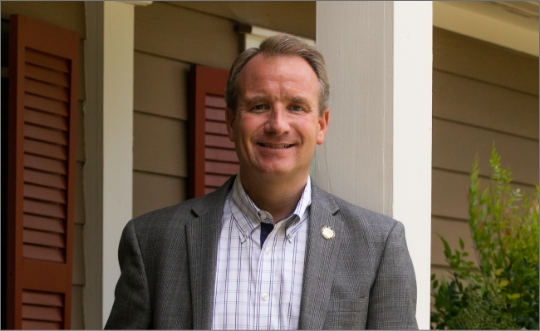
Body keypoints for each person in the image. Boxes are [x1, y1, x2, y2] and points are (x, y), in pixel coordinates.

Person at [105, 34, 417, 330]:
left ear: (321, 125)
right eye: (259, 106)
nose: (278, 125)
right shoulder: (152, 243)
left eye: (296, 106)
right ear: (230, 122)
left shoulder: (377, 247)